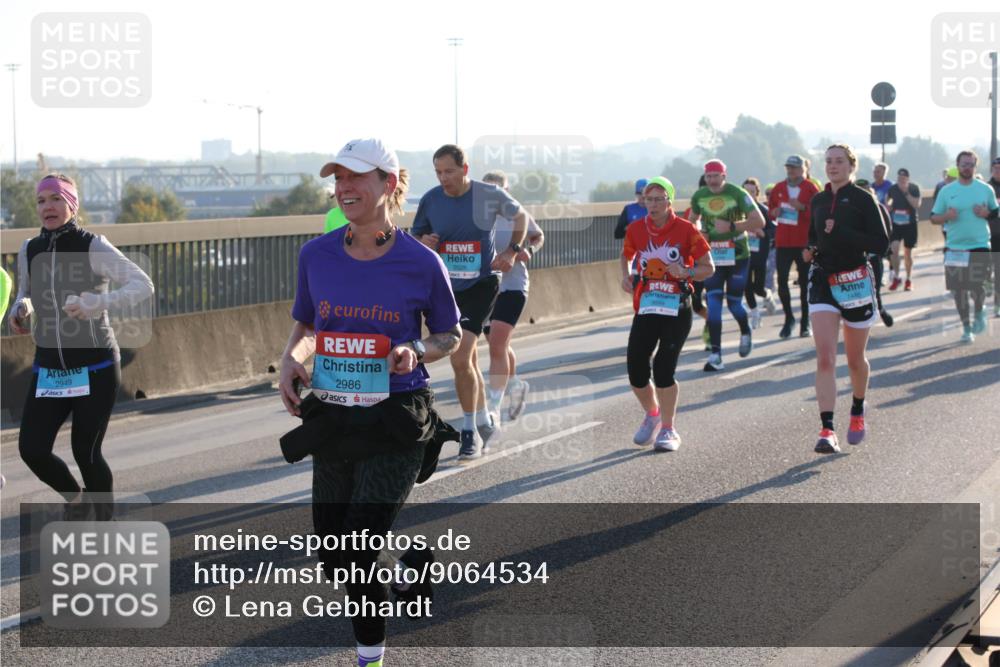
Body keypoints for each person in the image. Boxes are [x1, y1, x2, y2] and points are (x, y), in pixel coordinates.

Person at [279, 138, 462, 667]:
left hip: (396, 418)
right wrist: (292, 358)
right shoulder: (315, 254)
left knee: (358, 548)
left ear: (389, 183)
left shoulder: (421, 262)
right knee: (336, 558)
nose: (344, 188)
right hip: (334, 415)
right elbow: (309, 323)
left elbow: (449, 336)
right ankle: (409, 568)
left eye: (356, 177)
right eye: (338, 178)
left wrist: (413, 350)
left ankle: (370, 658)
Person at [10, 173, 154, 519]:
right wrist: (22, 308)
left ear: (71, 205)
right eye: (41, 200)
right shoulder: (30, 248)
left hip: (95, 367)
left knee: (86, 452)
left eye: (56, 199)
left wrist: (97, 303)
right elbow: (26, 294)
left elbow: (142, 285)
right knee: (32, 449)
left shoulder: (93, 245)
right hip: (50, 368)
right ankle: (77, 501)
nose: (48, 207)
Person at [411, 144, 527, 460]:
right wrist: (424, 241)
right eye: (438, 172)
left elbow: (521, 217)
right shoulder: (431, 200)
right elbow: (415, 235)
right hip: (447, 287)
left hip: (481, 284)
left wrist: (511, 251)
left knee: (460, 357)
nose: (443, 178)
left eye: (449, 171)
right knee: (469, 359)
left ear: (465, 169)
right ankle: (483, 419)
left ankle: (469, 432)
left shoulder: (489, 194)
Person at [805, 145, 889, 454]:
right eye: (828, 161)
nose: (832, 166)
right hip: (823, 281)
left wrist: (842, 232)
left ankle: (857, 407)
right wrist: (810, 248)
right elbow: (812, 236)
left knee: (855, 360)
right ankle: (827, 428)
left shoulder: (863, 200)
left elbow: (880, 244)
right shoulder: (818, 199)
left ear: (851, 166)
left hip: (854, 281)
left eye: (839, 161)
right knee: (825, 357)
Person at [621, 177, 713, 451]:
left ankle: (669, 429)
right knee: (636, 368)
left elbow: (708, 267)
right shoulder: (636, 229)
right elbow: (625, 254)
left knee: (663, 369)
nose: (653, 204)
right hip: (647, 306)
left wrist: (686, 272)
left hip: (677, 307)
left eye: (659, 199)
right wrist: (625, 276)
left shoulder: (685, 229)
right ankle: (652, 414)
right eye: (648, 199)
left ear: (670, 201)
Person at [688, 160, 765, 371]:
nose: (712, 180)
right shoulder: (699, 196)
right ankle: (716, 355)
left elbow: (759, 221)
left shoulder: (738, 194)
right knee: (713, 304)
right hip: (713, 257)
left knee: (733, 303)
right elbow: (691, 220)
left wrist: (732, 226)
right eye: (708, 176)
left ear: (724, 175)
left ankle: (745, 330)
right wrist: (698, 233)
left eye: (716, 175)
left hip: (738, 255)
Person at [481, 170, 544, 422]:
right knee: (499, 345)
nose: (495, 194)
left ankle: (493, 407)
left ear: (507, 191)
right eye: (488, 189)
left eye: (500, 189)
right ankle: (516, 384)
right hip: (484, 288)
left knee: (497, 344)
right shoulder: (476, 218)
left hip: (513, 286)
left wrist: (529, 249)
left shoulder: (516, 213)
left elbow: (538, 236)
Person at [930, 150, 999, 343]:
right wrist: (947, 217)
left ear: (975, 167)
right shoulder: (947, 191)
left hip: (979, 244)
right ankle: (966, 328)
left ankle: (979, 310)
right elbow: (934, 218)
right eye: (964, 164)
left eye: (970, 164)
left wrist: (986, 212)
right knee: (959, 290)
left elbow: (995, 212)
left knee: (977, 285)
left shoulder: (985, 189)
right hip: (955, 248)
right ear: (957, 166)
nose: (967, 168)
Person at [768, 155, 821, 338]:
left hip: (804, 242)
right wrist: (774, 212)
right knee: (782, 281)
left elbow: (818, 213)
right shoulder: (778, 188)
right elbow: (771, 212)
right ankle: (789, 318)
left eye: (795, 168)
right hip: (783, 242)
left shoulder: (810, 188)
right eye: (789, 167)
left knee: (806, 283)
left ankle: (805, 322)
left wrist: (803, 208)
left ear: (803, 169)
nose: (791, 171)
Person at [855, 179, 895, 327]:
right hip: (854, 259)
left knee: (874, 290)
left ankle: (881, 310)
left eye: (867, 192)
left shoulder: (879, 208)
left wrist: (882, 250)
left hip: (873, 257)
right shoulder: (848, 209)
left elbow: (887, 231)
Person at [742, 177, 776, 329]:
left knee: (758, 288)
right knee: (747, 287)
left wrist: (762, 232)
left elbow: (774, 230)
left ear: (757, 193)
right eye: (746, 191)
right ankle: (755, 314)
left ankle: (767, 295)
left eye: (752, 192)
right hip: (744, 255)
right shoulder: (738, 211)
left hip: (760, 255)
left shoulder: (763, 211)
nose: (749, 194)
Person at [885, 168, 921, 291]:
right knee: (894, 250)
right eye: (899, 178)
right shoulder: (893, 188)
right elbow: (888, 199)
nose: (901, 180)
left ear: (908, 178)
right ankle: (896, 277)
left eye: (903, 178)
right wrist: (888, 205)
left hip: (910, 224)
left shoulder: (914, 188)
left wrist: (906, 192)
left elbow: (917, 204)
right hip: (896, 223)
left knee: (907, 253)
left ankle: (909, 279)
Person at [988, 157, 1000, 317]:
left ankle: (997, 304)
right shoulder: (986, 188)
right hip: (988, 233)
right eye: (995, 167)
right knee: (986, 269)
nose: (998, 170)